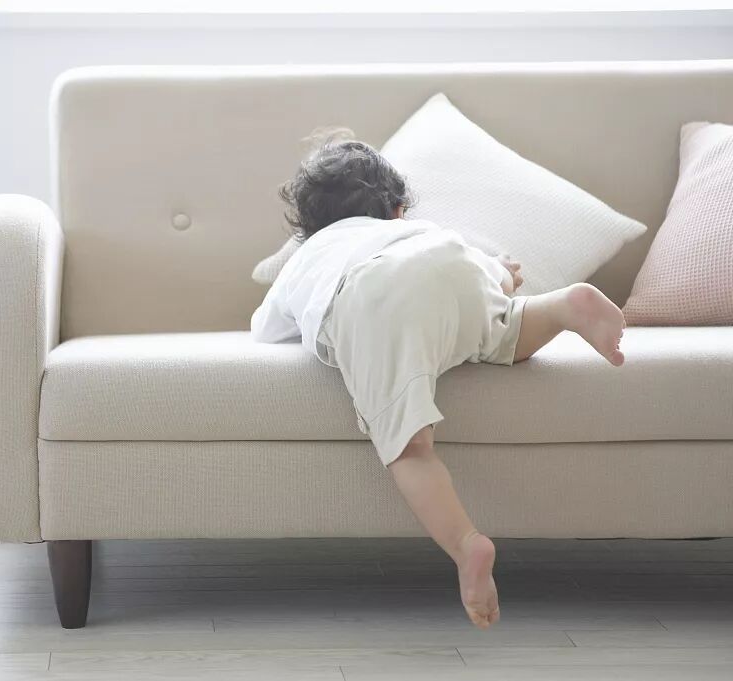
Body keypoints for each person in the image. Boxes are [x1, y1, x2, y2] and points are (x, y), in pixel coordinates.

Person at [250, 139, 626, 629]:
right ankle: (563, 307)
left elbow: (265, 329)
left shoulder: (311, 256)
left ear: (308, 229)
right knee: (500, 331)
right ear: (397, 210)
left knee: (409, 447)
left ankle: (466, 545)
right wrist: (502, 275)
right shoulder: (414, 231)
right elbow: (490, 276)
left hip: (372, 291)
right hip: (452, 262)